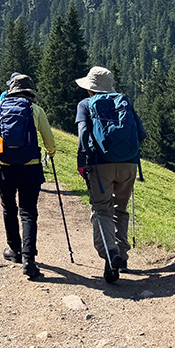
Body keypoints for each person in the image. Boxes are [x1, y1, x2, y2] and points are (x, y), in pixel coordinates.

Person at [0, 74, 56, 279]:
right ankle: (29, 260)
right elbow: (49, 141)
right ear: (29, 92)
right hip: (30, 167)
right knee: (28, 212)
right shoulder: (36, 110)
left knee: (9, 208)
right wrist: (50, 154)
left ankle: (14, 251)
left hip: (4, 166)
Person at [75, 65, 146, 284]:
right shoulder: (123, 102)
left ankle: (110, 252)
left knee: (102, 210)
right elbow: (141, 134)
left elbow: (83, 132)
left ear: (90, 88)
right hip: (129, 165)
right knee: (120, 209)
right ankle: (122, 256)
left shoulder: (85, 104)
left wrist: (81, 162)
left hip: (101, 165)